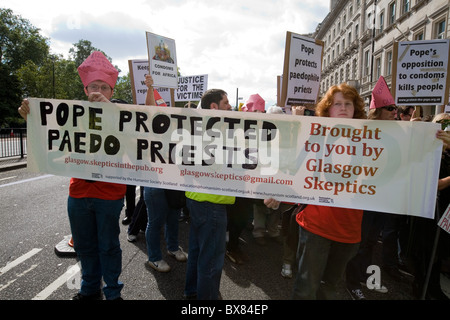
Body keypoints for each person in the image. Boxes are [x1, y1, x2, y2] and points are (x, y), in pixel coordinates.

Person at [18, 51, 126, 300]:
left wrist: (109, 110)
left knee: (109, 246)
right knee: (85, 246)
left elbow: (135, 138)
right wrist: (31, 117)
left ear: (111, 91)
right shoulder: (72, 114)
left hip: (109, 194)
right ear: (85, 89)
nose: (98, 90)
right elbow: (49, 137)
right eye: (93, 86)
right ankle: (89, 289)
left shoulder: (124, 114)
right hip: (78, 192)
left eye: (104, 87)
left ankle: (112, 292)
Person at [346, 76, 404, 299]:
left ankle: (367, 277)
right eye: (390, 108)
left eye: (395, 108)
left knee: (371, 241)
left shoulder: (399, 132)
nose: (394, 112)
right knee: (359, 241)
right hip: (363, 195)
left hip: (383, 196)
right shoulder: (364, 131)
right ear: (377, 111)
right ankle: (352, 282)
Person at [184, 89, 235, 300]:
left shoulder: (198, 128)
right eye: (226, 103)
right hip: (211, 202)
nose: (230, 107)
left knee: (197, 252)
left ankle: (192, 290)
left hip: (197, 199)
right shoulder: (217, 132)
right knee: (211, 261)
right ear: (214, 107)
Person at [142, 74, 187, 273]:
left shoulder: (180, 130)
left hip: (174, 182)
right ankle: (154, 257)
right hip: (155, 181)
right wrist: (150, 88)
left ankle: (172, 247)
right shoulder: (153, 129)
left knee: (173, 217)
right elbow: (150, 109)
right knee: (156, 221)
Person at [409, 113, 450, 300]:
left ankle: (434, 287)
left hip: (444, 211)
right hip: (426, 211)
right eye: (440, 124)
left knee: (438, 252)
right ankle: (420, 288)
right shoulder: (424, 151)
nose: (443, 129)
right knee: (424, 252)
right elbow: (432, 184)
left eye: (447, 125)